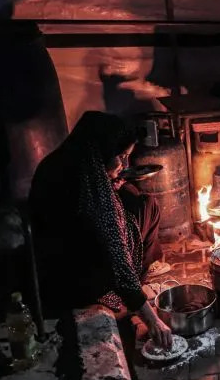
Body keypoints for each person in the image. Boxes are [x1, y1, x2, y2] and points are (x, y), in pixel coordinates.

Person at [29, 111, 173, 349]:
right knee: (145, 208)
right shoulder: (81, 183)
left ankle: (136, 285)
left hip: (67, 252)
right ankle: (132, 295)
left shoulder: (71, 158)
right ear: (103, 150)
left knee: (139, 199)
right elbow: (111, 248)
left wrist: (112, 182)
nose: (125, 165)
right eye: (121, 156)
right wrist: (153, 320)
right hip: (74, 278)